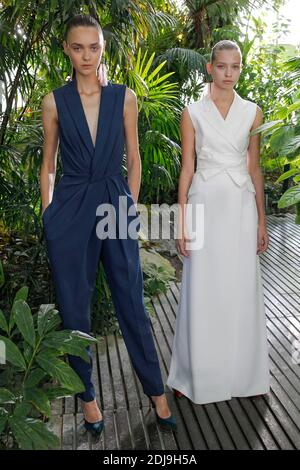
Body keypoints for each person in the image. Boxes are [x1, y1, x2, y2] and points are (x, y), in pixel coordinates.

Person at [40, 14, 176, 436]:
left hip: (114, 203)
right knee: (75, 307)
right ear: (66, 49)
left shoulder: (125, 97)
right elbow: (48, 165)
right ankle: (88, 400)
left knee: (131, 303)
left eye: (93, 46)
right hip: (71, 209)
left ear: (103, 48)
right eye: (78, 47)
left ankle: (155, 391)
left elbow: (134, 158)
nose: (86, 55)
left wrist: (129, 206)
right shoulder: (53, 101)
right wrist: (49, 215)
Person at [167, 40, 270, 404]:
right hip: (204, 205)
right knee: (202, 288)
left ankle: (245, 376)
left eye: (235, 66)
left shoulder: (253, 112)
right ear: (210, 68)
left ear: (240, 68)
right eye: (222, 66)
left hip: (241, 208)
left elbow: (254, 168)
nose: (229, 73)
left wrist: (261, 220)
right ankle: (190, 374)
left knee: (240, 288)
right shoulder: (192, 111)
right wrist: (181, 219)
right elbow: (187, 168)